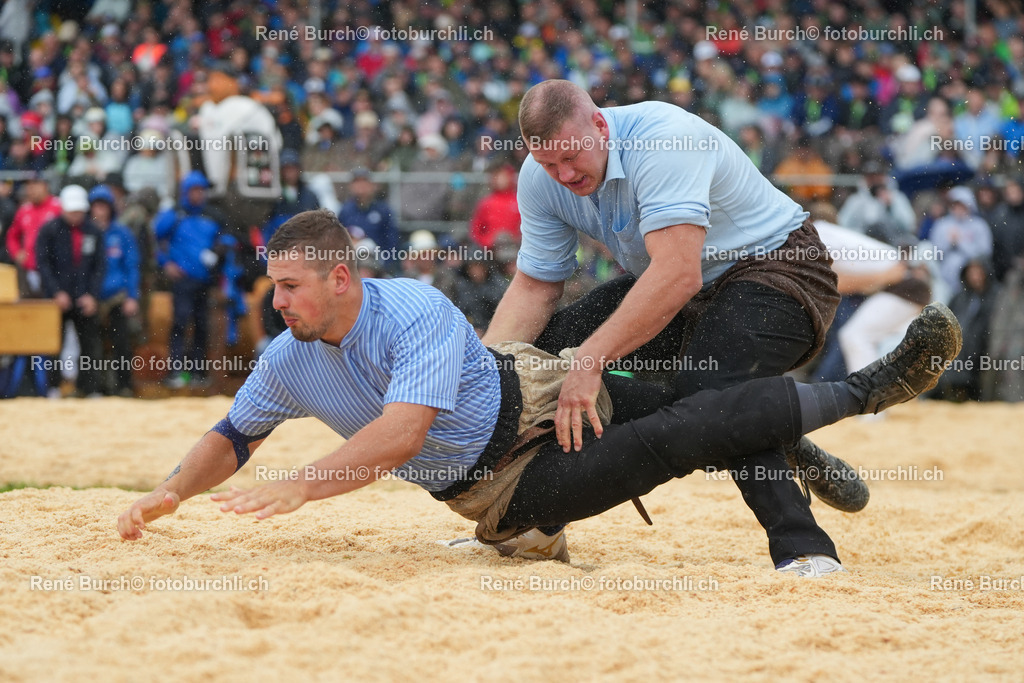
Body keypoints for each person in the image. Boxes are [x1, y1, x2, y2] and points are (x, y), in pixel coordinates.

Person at [116, 209, 963, 578]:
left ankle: (836, 409)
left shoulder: (411, 306)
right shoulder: (287, 356)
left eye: (292, 287)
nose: (278, 303)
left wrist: (307, 481)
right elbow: (233, 434)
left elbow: (403, 434)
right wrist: (169, 492)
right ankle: (862, 393)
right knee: (686, 431)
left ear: (341, 278)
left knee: (688, 388)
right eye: (276, 288)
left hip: (535, 387)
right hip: (509, 488)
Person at [481, 79, 851, 571]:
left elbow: (678, 273)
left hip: (780, 271)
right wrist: (485, 373)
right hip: (684, 287)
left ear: (599, 123)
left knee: (711, 389)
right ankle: (535, 529)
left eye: (572, 157)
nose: (564, 174)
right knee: (538, 363)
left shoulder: (662, 138)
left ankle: (805, 548)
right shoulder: (538, 176)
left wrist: (590, 361)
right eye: (549, 164)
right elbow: (534, 287)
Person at [153, 171, 227, 389]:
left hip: (204, 280)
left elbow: (228, 239)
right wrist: (166, 263)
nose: (198, 194)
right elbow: (155, 240)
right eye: (194, 190)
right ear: (186, 192)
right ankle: (176, 371)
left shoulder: (214, 215)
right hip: (182, 280)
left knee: (202, 325)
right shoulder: (174, 215)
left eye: (201, 190)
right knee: (180, 322)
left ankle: (198, 372)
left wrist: (218, 251)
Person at [35, 185, 106, 397]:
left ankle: (88, 388)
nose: (76, 215)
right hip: (57, 298)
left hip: (85, 297)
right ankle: (54, 387)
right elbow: (43, 263)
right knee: (53, 344)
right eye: (72, 211)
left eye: (79, 211)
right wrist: (56, 292)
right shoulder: (49, 230)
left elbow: (99, 266)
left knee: (90, 345)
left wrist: (92, 294)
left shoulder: (94, 231)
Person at [90, 184, 140, 396]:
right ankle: (96, 387)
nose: (100, 211)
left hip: (117, 296)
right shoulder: (86, 233)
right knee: (93, 346)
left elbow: (131, 265)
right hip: (92, 298)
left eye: (104, 206)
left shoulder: (122, 233)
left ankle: (124, 386)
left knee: (121, 343)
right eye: (96, 206)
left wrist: (132, 296)